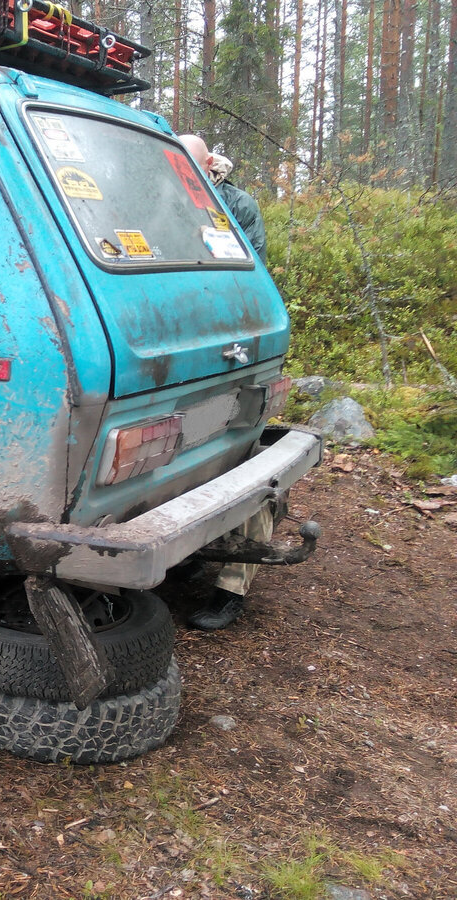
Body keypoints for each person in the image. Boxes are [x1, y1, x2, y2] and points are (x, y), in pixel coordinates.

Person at [176, 134, 273, 629]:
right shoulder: (159, 195)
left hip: (232, 345)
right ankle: (187, 554)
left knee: (242, 457)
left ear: (210, 163)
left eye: (189, 164)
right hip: (184, 348)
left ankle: (231, 586)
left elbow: (248, 273)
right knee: (184, 454)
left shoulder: (237, 204)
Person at [178, 133, 267, 264]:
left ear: (209, 163)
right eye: (178, 167)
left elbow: (254, 263)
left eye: (190, 168)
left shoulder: (239, 204)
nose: (184, 175)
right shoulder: (164, 196)